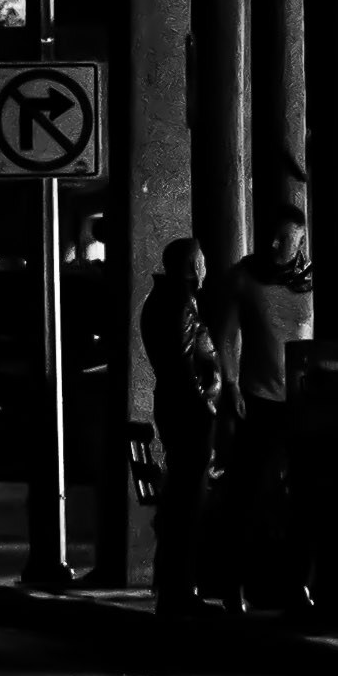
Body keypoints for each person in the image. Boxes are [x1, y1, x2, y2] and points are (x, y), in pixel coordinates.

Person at [217, 219, 315, 611]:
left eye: (285, 237)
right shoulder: (245, 278)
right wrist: (230, 385)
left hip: (303, 402)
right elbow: (226, 337)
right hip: (259, 398)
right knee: (247, 493)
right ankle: (233, 585)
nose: (275, 243)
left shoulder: (309, 283)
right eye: (271, 236)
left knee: (304, 495)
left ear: (300, 240)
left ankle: (297, 584)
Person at [139, 239, 227, 619]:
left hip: (175, 406)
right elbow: (181, 361)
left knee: (181, 498)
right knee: (189, 501)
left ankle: (175, 587)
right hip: (188, 411)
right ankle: (180, 590)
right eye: (202, 261)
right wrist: (205, 402)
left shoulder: (160, 299)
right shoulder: (181, 302)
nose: (206, 267)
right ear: (193, 265)